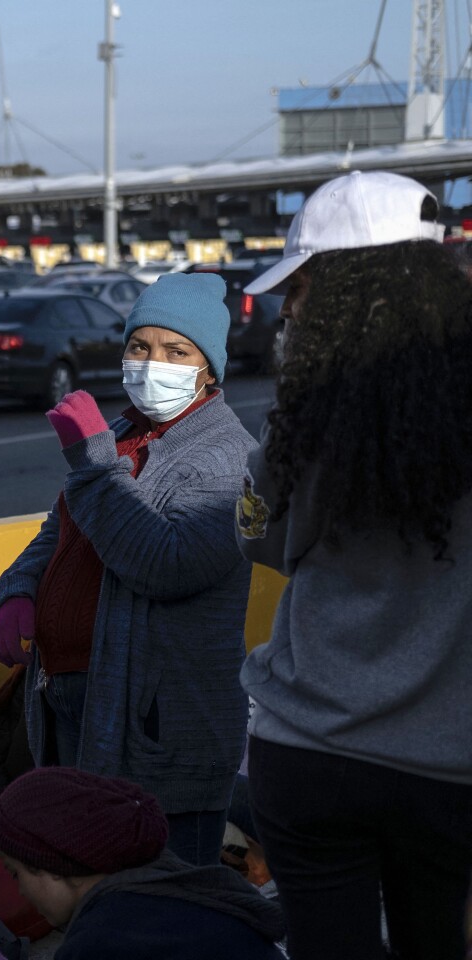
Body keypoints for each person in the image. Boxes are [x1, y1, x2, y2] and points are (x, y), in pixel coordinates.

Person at [236, 170, 472, 959]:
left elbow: (252, 531)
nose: (289, 308)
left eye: (299, 288)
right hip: (450, 767)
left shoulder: (302, 431)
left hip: (310, 754)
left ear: (338, 293)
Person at [0, 272, 257, 865]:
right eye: (141, 346)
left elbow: (167, 564)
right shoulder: (123, 435)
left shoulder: (226, 456)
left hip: (159, 725)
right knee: (87, 874)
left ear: (208, 369)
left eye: (176, 351)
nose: (152, 363)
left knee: (168, 894)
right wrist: (18, 590)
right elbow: (60, 530)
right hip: (72, 698)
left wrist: (91, 466)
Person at [0, 767, 285, 959]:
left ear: (54, 862)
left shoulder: (102, 943)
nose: (20, 891)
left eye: (16, 874)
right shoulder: (173, 886)